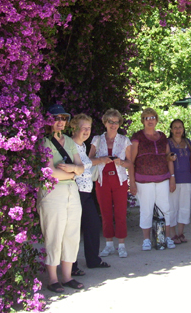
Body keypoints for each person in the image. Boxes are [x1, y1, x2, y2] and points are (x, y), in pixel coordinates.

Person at [37, 104, 84, 293]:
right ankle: (53, 278)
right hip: (52, 193)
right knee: (54, 234)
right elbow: (50, 173)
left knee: (71, 233)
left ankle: (67, 276)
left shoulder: (70, 142)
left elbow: (81, 167)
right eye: (56, 118)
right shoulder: (44, 142)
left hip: (72, 192)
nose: (60, 122)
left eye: (63, 118)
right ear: (49, 120)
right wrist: (74, 172)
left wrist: (73, 170)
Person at [127, 108, 177, 251]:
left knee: (165, 209)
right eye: (147, 117)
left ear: (156, 120)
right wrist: (131, 181)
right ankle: (146, 240)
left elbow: (168, 158)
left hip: (163, 178)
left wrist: (172, 177)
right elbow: (131, 160)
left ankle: (166, 237)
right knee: (146, 210)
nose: (150, 120)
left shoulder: (162, 137)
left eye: (153, 117)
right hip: (143, 180)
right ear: (143, 120)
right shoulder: (137, 137)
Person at [66, 114, 110, 272]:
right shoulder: (68, 144)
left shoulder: (83, 146)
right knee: (74, 230)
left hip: (86, 192)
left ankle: (93, 260)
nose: (86, 131)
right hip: (74, 192)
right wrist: (99, 160)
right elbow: (78, 166)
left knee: (93, 225)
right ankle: (71, 266)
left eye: (89, 128)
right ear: (75, 128)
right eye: (83, 128)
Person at [90, 109, 133, 258]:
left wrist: (121, 162)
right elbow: (88, 160)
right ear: (105, 122)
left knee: (120, 212)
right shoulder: (97, 139)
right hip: (102, 179)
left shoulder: (125, 140)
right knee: (105, 212)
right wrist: (101, 159)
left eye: (116, 122)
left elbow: (129, 163)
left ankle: (121, 245)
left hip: (119, 179)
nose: (113, 125)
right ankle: (109, 244)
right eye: (110, 122)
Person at [167, 119, 191, 244]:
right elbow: (165, 159)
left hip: (187, 179)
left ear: (183, 129)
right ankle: (173, 234)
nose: (178, 130)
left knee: (184, 207)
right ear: (171, 129)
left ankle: (181, 233)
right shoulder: (167, 143)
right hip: (173, 179)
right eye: (175, 127)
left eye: (180, 127)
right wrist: (171, 177)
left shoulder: (188, 142)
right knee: (172, 206)